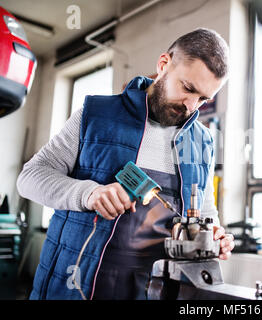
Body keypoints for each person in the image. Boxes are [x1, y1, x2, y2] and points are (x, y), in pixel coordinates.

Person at [17, 28, 235, 300]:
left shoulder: (202, 142)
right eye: (188, 88)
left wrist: (212, 235)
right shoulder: (95, 115)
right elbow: (29, 177)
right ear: (164, 64)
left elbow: (203, 208)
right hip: (75, 283)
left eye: (203, 99)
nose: (191, 107)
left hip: (151, 289)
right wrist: (89, 193)